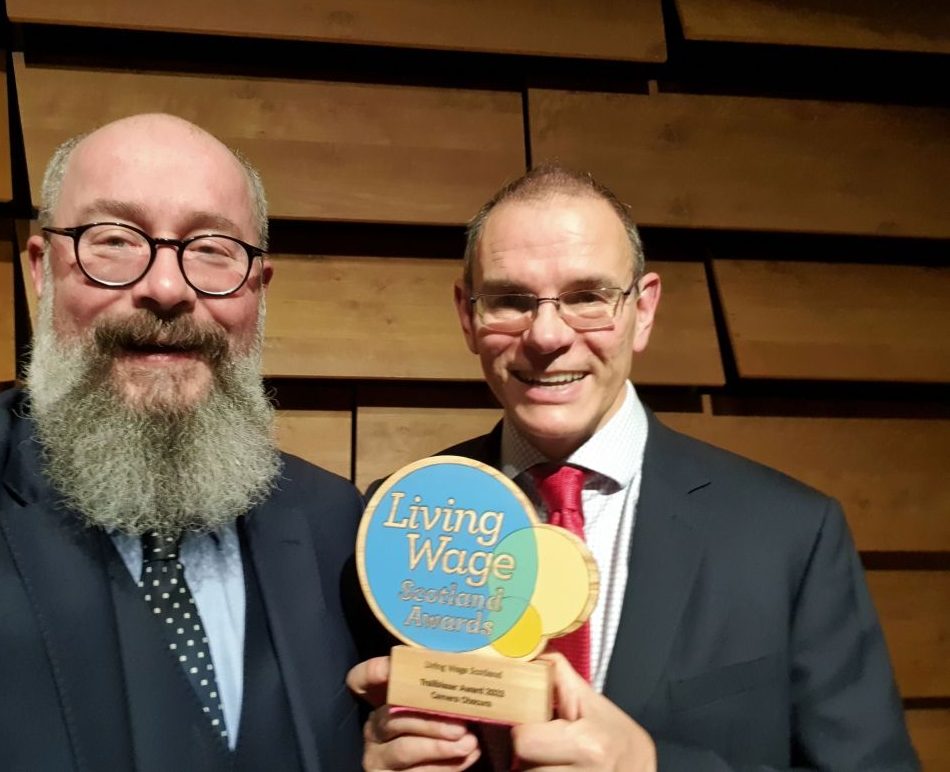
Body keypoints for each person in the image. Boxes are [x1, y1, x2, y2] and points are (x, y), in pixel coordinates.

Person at [348, 165, 918, 771]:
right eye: (510, 300)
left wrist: (649, 766)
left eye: (587, 297)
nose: (546, 335)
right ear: (468, 314)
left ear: (642, 311)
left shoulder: (790, 535)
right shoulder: (397, 520)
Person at [0, 114, 368, 771]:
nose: (166, 288)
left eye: (211, 248)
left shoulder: (332, 524)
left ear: (257, 292)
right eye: (114, 240)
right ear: (42, 270)